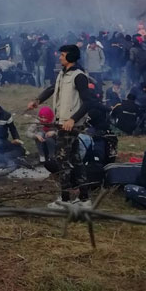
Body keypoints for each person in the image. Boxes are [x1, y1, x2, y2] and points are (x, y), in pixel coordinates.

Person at [27, 44, 96, 208]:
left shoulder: (79, 76)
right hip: (62, 123)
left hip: (70, 124)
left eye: (63, 55)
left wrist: (73, 119)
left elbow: (88, 102)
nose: (60, 57)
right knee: (75, 159)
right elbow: (52, 89)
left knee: (61, 159)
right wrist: (38, 100)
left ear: (71, 57)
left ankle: (65, 199)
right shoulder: (62, 74)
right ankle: (84, 199)